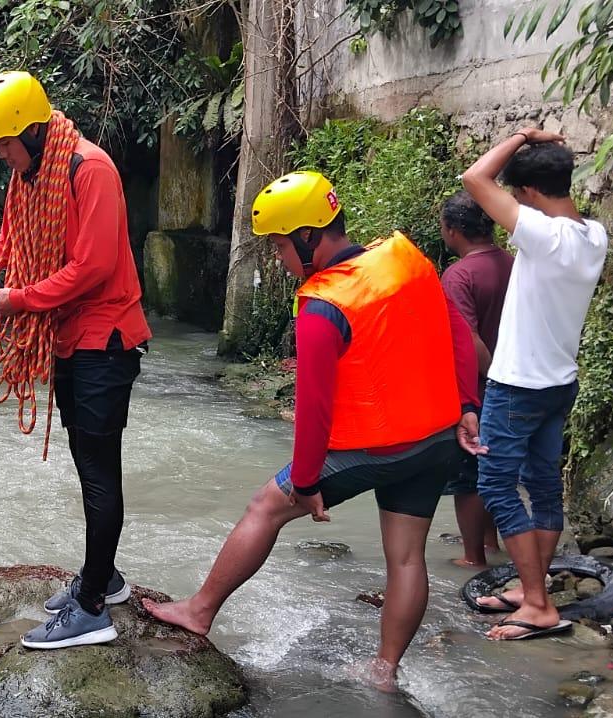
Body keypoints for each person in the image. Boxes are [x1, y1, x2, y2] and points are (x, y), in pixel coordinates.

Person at [143, 171, 480, 692]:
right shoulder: (406, 260)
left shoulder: (323, 306)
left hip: (374, 444)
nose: (278, 259)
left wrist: (305, 483)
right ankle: (384, 671)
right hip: (437, 437)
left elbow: (314, 408)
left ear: (307, 236)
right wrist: (467, 405)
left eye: (279, 245)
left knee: (264, 508)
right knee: (408, 557)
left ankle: (199, 610)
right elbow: (457, 332)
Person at [0, 71, 151, 650]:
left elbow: (93, 267)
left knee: (98, 471)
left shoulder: (88, 169)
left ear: (32, 129)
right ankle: (107, 578)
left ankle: (93, 604)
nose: (0, 156)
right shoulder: (32, 176)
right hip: (71, 337)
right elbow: (10, 244)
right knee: (87, 462)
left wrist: (17, 299)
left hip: (106, 338)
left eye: (2, 143)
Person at [461, 130, 608, 641]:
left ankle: (539, 606)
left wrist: (522, 135)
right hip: (559, 383)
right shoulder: (595, 235)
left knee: (497, 486)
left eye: (518, 193)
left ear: (527, 192)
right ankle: (532, 588)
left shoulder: (543, 236)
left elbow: (475, 178)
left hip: (518, 386)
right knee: (543, 485)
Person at [438, 191, 512, 568]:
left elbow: (469, 342)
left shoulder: (459, 274)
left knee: (469, 476)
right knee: (497, 467)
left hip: (481, 389)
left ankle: (473, 558)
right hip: (519, 384)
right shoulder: (512, 263)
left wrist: (488, 382)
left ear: (453, 230)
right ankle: (491, 542)